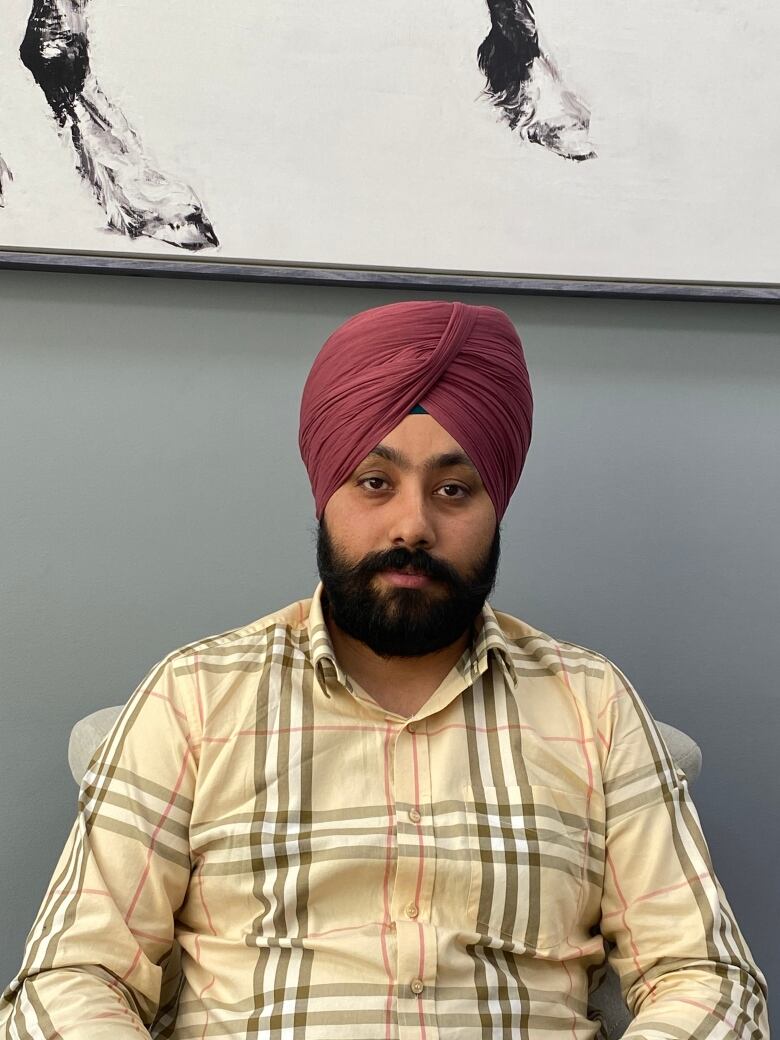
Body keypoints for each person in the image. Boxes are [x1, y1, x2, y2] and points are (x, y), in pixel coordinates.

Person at [0, 300, 768, 1039]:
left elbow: (704, 974)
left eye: (453, 490)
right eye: (375, 482)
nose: (413, 524)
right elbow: (72, 975)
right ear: (325, 496)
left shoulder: (589, 702)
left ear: (495, 506)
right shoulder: (195, 695)